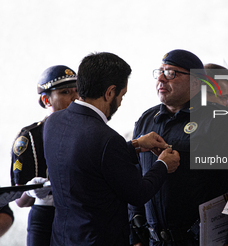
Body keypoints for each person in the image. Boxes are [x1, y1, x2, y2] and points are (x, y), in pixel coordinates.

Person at [43, 52, 180, 246]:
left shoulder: (53, 122)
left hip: (63, 238)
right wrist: (163, 164)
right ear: (109, 92)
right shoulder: (106, 138)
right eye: (121, 95)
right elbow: (138, 193)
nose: (121, 101)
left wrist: (135, 145)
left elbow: (86, 161)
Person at [129, 49, 228, 246]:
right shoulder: (146, 120)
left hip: (199, 240)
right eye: (160, 72)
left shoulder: (217, 119)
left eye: (171, 73)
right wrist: (135, 233)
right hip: (153, 241)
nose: (161, 78)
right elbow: (132, 178)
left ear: (195, 82)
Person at [11, 65, 78, 246]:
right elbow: (20, 201)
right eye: (65, 92)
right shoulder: (29, 137)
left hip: (80, 217)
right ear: (46, 100)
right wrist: (33, 190)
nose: (75, 98)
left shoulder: (88, 132)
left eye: (77, 91)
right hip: (46, 217)